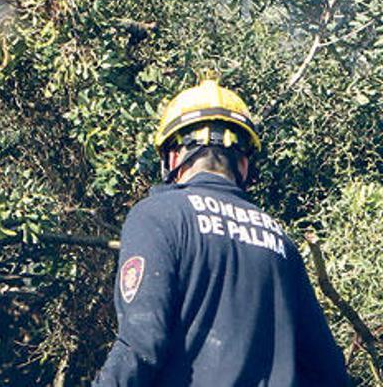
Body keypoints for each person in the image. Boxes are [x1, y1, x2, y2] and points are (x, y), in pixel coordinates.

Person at [93, 79, 350, 386]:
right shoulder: (280, 242)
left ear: (173, 157)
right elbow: (328, 369)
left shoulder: (157, 216)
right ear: (243, 162)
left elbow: (141, 342)